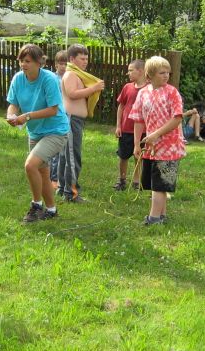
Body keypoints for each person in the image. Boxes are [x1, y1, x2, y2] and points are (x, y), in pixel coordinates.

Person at [6, 44, 70, 223]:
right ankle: (51, 210)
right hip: (35, 131)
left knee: (30, 165)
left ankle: (36, 206)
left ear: (39, 63)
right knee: (42, 172)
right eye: (21, 60)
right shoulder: (18, 79)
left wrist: (26, 116)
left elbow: (53, 110)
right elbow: (13, 103)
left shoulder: (49, 79)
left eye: (27, 61)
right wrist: (11, 115)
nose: (23, 64)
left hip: (56, 131)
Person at [131, 56, 186, 226]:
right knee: (155, 183)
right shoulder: (143, 93)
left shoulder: (172, 92)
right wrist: (137, 144)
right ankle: (161, 216)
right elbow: (138, 119)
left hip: (169, 147)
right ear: (150, 75)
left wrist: (156, 134)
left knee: (160, 185)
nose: (166, 75)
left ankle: (153, 218)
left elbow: (177, 118)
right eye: (162, 72)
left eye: (168, 72)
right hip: (151, 147)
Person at [58, 44, 105, 202]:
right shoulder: (71, 74)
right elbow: (72, 94)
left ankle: (62, 188)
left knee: (66, 155)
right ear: (72, 59)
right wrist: (94, 88)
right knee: (72, 157)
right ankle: (71, 193)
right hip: (71, 119)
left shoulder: (76, 74)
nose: (85, 61)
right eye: (82, 58)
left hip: (74, 120)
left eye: (86, 58)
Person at [113, 59, 146, 190]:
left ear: (141, 71)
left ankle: (136, 181)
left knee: (139, 157)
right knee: (123, 156)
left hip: (143, 131)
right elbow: (121, 106)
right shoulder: (127, 87)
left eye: (131, 70)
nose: (128, 73)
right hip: (126, 129)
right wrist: (118, 126)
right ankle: (122, 180)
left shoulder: (149, 89)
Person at [49, 50, 69, 189]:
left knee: (64, 149)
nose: (63, 66)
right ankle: (53, 177)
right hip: (54, 116)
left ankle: (59, 176)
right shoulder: (53, 79)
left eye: (66, 64)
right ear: (56, 64)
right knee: (54, 149)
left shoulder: (69, 79)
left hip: (66, 116)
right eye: (61, 63)